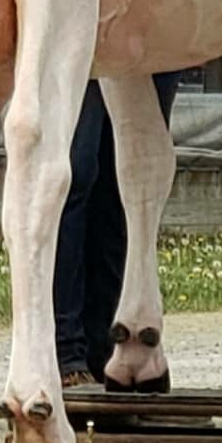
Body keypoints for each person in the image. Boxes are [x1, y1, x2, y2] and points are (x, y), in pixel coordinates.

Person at [55, 72, 182, 386]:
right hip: (84, 31)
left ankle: (109, 347)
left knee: (128, 184)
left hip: (158, 35)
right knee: (76, 170)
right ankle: (64, 351)